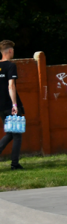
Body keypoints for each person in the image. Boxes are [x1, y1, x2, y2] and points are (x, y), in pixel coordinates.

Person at [0, 40, 24, 169]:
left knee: (10, 132)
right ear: (9, 51)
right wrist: (14, 105)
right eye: (12, 50)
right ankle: (15, 164)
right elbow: (11, 86)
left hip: (1, 107)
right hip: (10, 105)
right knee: (17, 135)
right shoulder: (10, 66)